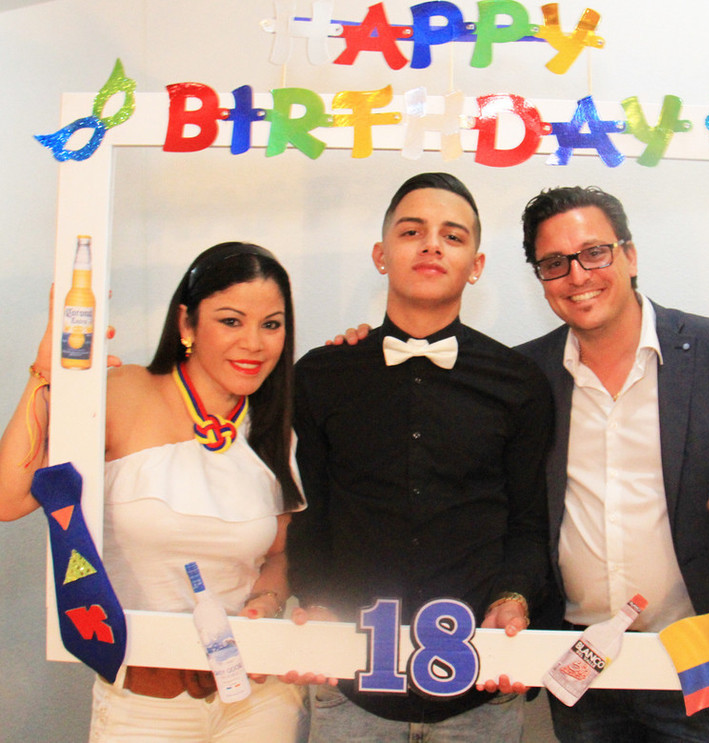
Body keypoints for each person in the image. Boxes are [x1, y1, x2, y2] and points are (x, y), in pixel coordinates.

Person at [515, 185, 709, 742]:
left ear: (630, 255)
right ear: (541, 278)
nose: (577, 275)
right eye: (554, 263)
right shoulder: (527, 374)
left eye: (594, 252)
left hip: (703, 658)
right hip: (581, 666)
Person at [0, 242, 309, 742]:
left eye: (271, 324)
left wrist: (266, 603)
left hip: (258, 698)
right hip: (144, 700)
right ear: (187, 323)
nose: (254, 343)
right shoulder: (121, 392)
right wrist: (45, 374)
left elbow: (278, 552)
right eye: (231, 321)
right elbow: (9, 498)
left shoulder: (276, 425)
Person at [285, 172, 553, 742]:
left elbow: (529, 523)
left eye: (453, 236)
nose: (432, 245)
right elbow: (308, 515)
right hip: (349, 687)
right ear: (381, 255)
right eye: (412, 231)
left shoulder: (520, 383)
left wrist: (513, 599)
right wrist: (316, 600)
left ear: (476, 265)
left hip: (480, 691)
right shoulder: (319, 375)